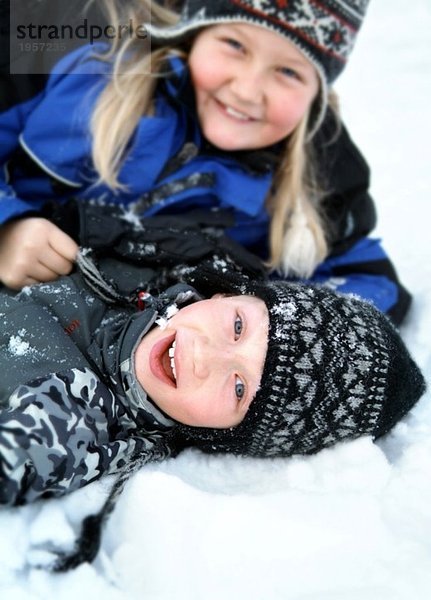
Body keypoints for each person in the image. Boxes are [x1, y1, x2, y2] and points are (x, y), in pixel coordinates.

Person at [0, 202, 425, 569]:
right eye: (237, 326)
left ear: (226, 435)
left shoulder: (72, 412)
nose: (204, 356)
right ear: (223, 295)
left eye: (239, 389)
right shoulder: (149, 249)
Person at [0, 0, 411, 325]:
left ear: (316, 94)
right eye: (234, 45)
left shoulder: (319, 180)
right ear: (194, 34)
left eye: (288, 72)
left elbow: (371, 283)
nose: (248, 90)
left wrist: (265, 317)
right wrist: (8, 227)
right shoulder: (82, 68)